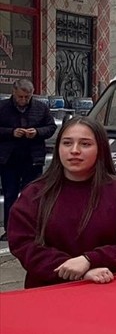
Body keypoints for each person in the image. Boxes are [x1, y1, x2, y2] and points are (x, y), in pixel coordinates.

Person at [7, 117, 116, 289]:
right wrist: (75, 270)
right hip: (48, 293)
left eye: (85, 144)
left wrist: (90, 260)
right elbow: (23, 244)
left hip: (108, 290)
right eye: (67, 143)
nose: (74, 150)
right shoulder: (35, 194)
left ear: (100, 149)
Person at [0, 80, 56, 239]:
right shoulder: (3, 107)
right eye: (20, 97)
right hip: (9, 159)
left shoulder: (40, 108)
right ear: (13, 93)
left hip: (33, 158)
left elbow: (51, 127)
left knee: (31, 194)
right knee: (10, 193)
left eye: (26, 97)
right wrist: (11, 132)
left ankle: (30, 228)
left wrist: (37, 132)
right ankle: (10, 229)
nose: (23, 100)